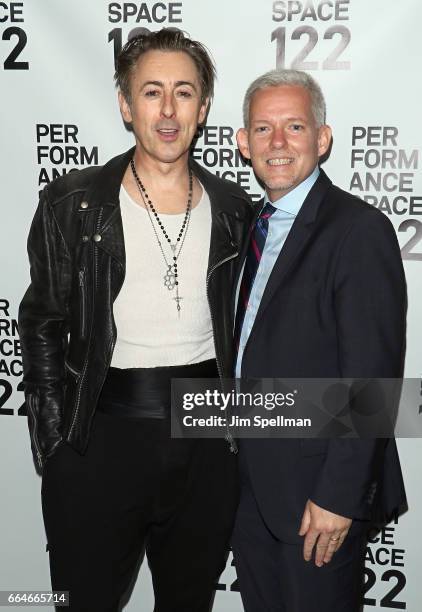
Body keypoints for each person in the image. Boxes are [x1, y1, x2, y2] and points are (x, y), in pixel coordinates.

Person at [18, 29, 253, 612]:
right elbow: (43, 320)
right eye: (152, 92)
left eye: (183, 92)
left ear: (202, 108)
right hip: (100, 438)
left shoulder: (235, 211)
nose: (168, 110)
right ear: (126, 105)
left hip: (206, 442)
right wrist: (56, 445)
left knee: (188, 603)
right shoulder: (73, 203)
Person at [231, 69, 406, 612]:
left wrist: (337, 497)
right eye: (263, 129)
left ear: (322, 138)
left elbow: (372, 381)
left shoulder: (358, 230)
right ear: (243, 144)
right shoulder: (244, 226)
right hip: (246, 491)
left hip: (317, 500)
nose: (277, 143)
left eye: (294, 127)